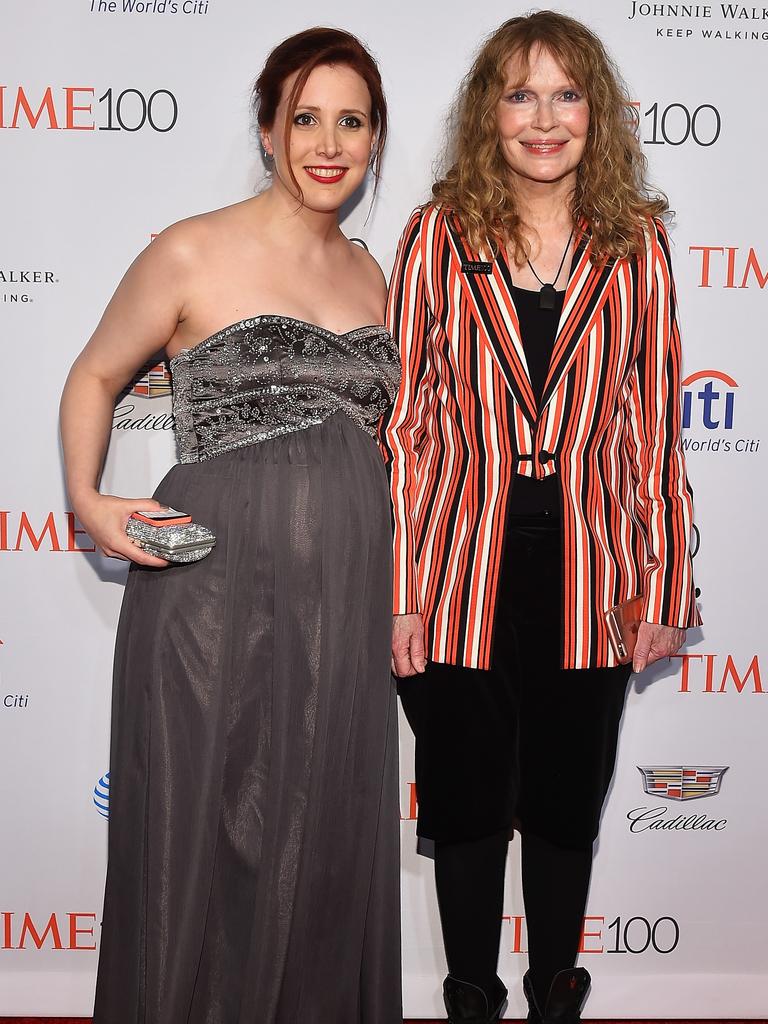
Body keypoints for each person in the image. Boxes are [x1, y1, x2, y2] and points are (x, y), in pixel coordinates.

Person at [60, 27, 402, 1024]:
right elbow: (93, 374)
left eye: (351, 120)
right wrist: (88, 497)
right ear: (266, 129)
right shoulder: (192, 248)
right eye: (305, 117)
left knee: (321, 847)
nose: (327, 142)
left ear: (375, 139)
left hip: (342, 614)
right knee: (198, 855)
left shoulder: (378, 274)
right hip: (208, 607)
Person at [381, 11, 699, 1024]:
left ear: (596, 114)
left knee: (566, 805)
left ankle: (556, 994)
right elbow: (405, 428)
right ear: (490, 112)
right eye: (521, 94)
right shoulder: (437, 236)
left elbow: (654, 427)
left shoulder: (636, 244)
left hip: (593, 573)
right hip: (461, 570)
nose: (545, 118)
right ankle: (470, 997)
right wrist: (403, 593)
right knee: (469, 807)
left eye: (566, 94)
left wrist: (662, 586)